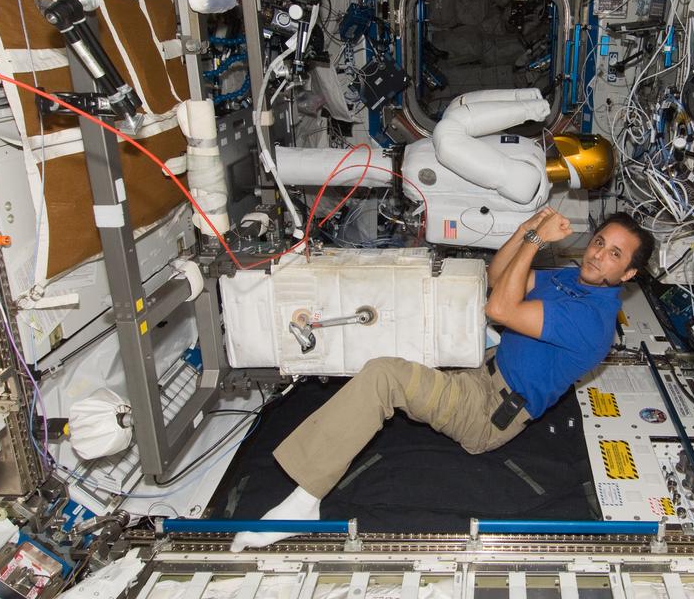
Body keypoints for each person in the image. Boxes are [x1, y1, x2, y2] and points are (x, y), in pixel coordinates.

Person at [230, 208, 655, 550]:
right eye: (600, 243)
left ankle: (302, 504)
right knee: (419, 325)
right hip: (483, 364)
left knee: (385, 377)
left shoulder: (592, 321)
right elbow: (499, 281)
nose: (599, 255)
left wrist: (537, 242)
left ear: (628, 275)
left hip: (487, 410)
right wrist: (528, 229)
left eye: (615, 254)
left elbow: (501, 311)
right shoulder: (570, 279)